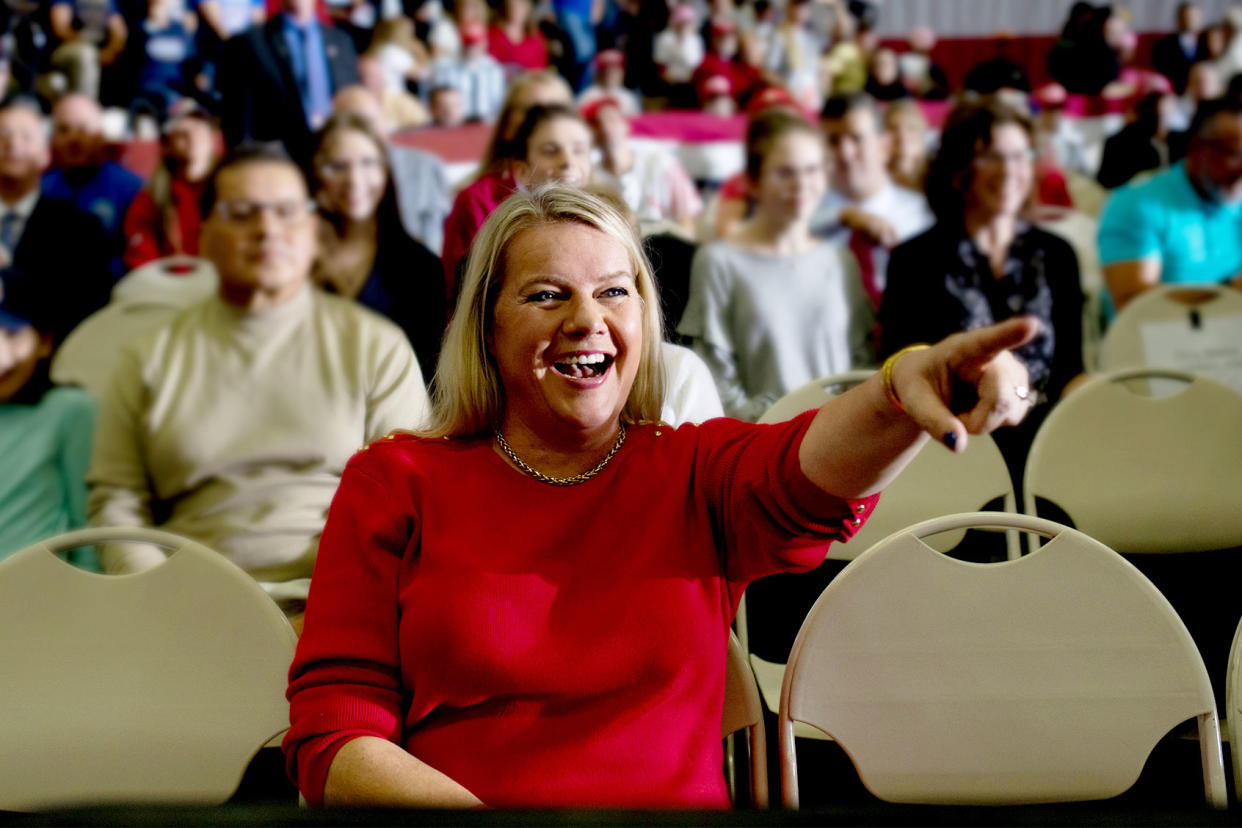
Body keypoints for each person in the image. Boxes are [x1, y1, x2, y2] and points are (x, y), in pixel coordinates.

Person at [282, 183, 1040, 809]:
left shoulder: (691, 468)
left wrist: (904, 388)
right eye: (547, 296)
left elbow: (802, 479)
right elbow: (334, 734)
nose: (588, 320)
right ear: (484, 327)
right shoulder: (397, 481)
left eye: (616, 292)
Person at [87, 144, 429, 627]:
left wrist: (338, 606)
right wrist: (157, 596)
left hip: (339, 609)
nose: (267, 229)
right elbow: (117, 503)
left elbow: (408, 504)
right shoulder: (149, 356)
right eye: (241, 213)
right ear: (202, 234)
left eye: (287, 212)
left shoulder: (376, 346)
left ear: (313, 231)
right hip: (183, 611)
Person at [881, 98, 1083, 488]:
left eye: (1020, 156)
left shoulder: (1058, 255)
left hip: (1050, 444)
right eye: (992, 157)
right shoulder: (914, 259)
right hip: (953, 447)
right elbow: (901, 368)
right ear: (960, 170)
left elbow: (1071, 369)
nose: (1010, 171)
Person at [678, 110, 873, 422]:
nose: (802, 184)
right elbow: (717, 380)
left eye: (812, 170)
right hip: (763, 447)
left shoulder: (841, 262)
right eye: (785, 172)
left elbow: (862, 366)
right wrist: (782, 430)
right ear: (753, 183)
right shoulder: (718, 262)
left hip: (846, 443)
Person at [309, 113, 446, 382]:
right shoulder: (292, 261)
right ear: (315, 174)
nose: (354, 179)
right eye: (337, 166)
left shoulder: (420, 267)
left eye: (368, 163)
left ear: (385, 172)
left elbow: (429, 376)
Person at [1097, 98, 1242, 312]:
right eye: (1236, 155)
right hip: (1161, 340)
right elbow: (1135, 309)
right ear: (1197, 147)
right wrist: (1228, 291)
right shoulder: (1138, 205)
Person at [440, 70, 572, 299]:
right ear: (507, 126)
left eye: (554, 111)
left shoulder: (595, 194)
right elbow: (460, 293)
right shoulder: (475, 200)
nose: (542, 122)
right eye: (531, 111)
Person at [0, 274, 97, 568]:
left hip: (36, 597)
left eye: (13, 334)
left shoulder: (70, 410)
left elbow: (89, 528)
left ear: (44, 342)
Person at [0, 96, 114, 343]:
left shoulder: (81, 230)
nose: (12, 144)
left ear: (45, 154)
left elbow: (83, 308)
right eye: (3, 135)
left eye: (26, 136)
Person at [812, 92, 933, 311]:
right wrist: (842, 216)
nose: (845, 153)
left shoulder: (922, 216)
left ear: (885, 146)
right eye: (833, 141)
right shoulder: (798, 221)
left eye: (856, 139)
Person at [217, 0, 360, 165]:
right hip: (277, 162)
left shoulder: (342, 41)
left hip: (335, 158)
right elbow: (238, 119)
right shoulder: (250, 43)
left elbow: (352, 103)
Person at [332, 84, 451, 256]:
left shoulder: (425, 166)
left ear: (384, 121)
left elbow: (436, 238)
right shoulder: (324, 176)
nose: (365, 134)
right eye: (353, 126)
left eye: (370, 122)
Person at [121, 97, 219, 269]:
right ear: (167, 145)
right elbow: (141, 260)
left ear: (212, 139)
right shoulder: (151, 199)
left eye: (199, 129)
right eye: (183, 133)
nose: (193, 137)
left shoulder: (230, 190)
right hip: (168, 290)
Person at [41, 93, 144, 256]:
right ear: (52, 139)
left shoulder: (132, 190)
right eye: (64, 130)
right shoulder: (41, 189)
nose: (73, 139)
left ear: (100, 136)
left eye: (83, 129)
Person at [584, 96, 701, 238]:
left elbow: (687, 222)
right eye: (596, 123)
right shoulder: (589, 178)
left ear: (625, 125)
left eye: (612, 119)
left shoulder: (662, 164)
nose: (606, 127)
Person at [45, 0, 128, 101]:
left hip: (98, 51)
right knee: (86, 54)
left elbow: (119, 32)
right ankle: (85, 106)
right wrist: (91, 48)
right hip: (64, 49)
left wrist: (110, 51)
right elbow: (60, 28)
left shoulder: (107, 2)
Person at [426, 21, 505, 124]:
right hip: (454, 124)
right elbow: (436, 101)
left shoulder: (494, 69)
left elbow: (499, 101)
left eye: (475, 43)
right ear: (460, 42)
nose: (471, 48)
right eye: (467, 43)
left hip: (486, 123)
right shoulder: (444, 66)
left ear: (484, 42)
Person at [1153, 2, 1207, 94]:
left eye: (1194, 18)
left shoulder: (1207, 42)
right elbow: (1159, 67)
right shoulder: (1165, 44)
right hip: (1175, 90)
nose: (1190, 21)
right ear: (1178, 20)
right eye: (1187, 18)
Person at [487, 0, 548, 77]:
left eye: (520, 5)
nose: (516, 9)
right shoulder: (493, 34)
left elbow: (539, 72)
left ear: (528, 8)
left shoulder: (535, 38)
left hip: (525, 86)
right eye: (512, 4)